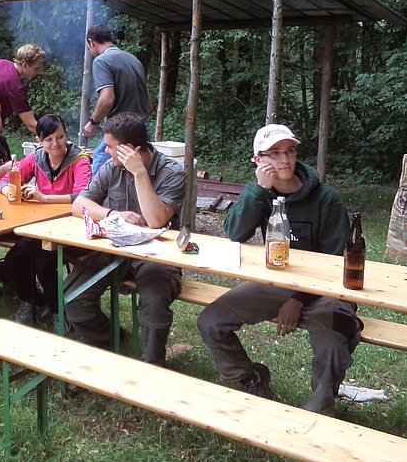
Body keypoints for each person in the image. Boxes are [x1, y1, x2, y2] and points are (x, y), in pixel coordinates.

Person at [196, 124, 361, 416]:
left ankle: (320, 408)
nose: (284, 160)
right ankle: (249, 377)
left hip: (324, 290)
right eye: (273, 153)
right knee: (211, 321)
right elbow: (235, 233)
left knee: (333, 344)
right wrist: (258, 190)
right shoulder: (260, 193)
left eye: (290, 151)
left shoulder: (326, 198)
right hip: (276, 282)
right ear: (257, 160)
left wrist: (298, 299)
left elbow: (337, 262)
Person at [66, 112, 186, 365]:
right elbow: (79, 205)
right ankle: (111, 341)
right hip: (115, 248)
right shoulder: (111, 167)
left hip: (156, 255)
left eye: (110, 147)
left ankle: (153, 367)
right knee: (73, 296)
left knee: (153, 304)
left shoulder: (172, 172)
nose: (105, 152)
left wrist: (140, 173)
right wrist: (113, 213)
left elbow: (156, 220)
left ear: (130, 149)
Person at [0, 114, 92, 327]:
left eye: (60, 137)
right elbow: (4, 180)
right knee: (14, 260)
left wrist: (45, 198)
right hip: (41, 227)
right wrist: (11, 191)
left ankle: (58, 312)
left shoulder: (79, 160)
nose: (55, 144)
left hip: (71, 228)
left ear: (66, 135)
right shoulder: (36, 158)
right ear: (39, 140)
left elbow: (83, 196)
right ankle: (33, 302)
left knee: (44, 262)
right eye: (48, 139)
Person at [82, 25, 153, 177]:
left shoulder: (102, 61)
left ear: (91, 42)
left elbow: (107, 99)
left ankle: (92, 193)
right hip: (142, 127)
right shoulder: (134, 60)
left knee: (99, 171)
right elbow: (148, 100)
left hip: (121, 130)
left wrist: (93, 122)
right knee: (138, 174)